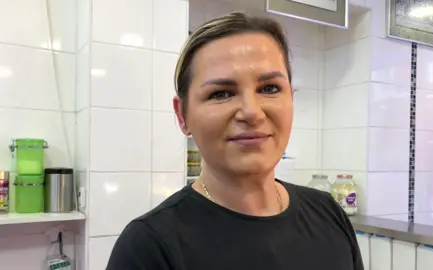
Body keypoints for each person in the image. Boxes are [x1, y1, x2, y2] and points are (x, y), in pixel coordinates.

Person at [106, 12, 364, 270]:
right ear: (182, 116)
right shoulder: (149, 246)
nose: (252, 112)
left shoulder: (327, 212)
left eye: (270, 88)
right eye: (221, 93)